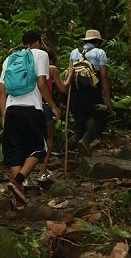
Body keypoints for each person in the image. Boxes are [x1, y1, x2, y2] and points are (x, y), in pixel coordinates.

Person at [0, 30, 61, 211]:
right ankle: (18, 181)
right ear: (39, 42)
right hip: (32, 109)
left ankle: (19, 198)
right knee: (40, 148)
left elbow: (1, 91)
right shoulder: (41, 55)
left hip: (11, 111)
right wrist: (54, 106)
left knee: (15, 151)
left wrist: (4, 115)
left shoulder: (10, 58)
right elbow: (41, 83)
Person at [69, 29, 113, 156]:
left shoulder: (74, 53)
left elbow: (70, 73)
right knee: (101, 119)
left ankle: (69, 148)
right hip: (92, 92)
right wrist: (108, 99)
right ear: (98, 42)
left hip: (76, 92)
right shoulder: (99, 53)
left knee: (80, 123)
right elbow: (103, 76)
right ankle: (85, 141)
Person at [37, 48, 74, 182]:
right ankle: (43, 169)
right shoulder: (51, 68)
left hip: (29, 106)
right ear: (50, 60)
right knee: (49, 138)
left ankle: (26, 174)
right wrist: (70, 74)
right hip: (45, 106)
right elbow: (64, 88)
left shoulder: (29, 67)